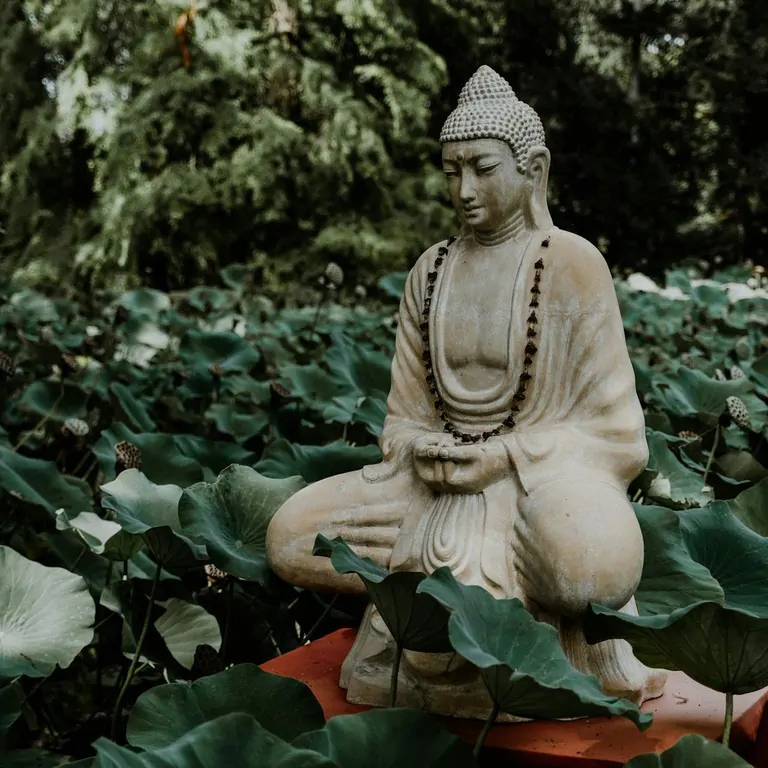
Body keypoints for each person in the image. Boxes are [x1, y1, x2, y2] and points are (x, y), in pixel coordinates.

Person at [266, 65, 665, 714]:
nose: (464, 189)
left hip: (544, 485)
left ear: (532, 171)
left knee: (592, 567)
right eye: (451, 171)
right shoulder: (431, 271)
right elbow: (401, 419)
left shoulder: (572, 264)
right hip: (430, 485)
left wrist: (505, 457)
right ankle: (436, 616)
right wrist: (423, 449)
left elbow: (618, 435)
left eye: (482, 167)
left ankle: (535, 646)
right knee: (288, 536)